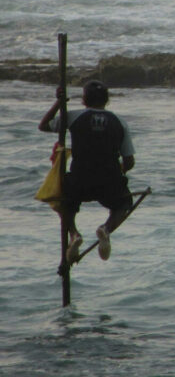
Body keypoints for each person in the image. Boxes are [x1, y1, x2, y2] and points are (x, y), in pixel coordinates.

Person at [39, 80, 135, 262]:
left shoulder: (73, 117)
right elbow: (129, 161)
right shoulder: (119, 122)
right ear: (107, 101)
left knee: (64, 203)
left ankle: (74, 234)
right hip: (109, 179)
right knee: (123, 204)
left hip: (79, 179)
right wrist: (119, 171)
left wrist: (59, 103)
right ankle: (106, 229)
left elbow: (44, 125)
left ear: (84, 100)